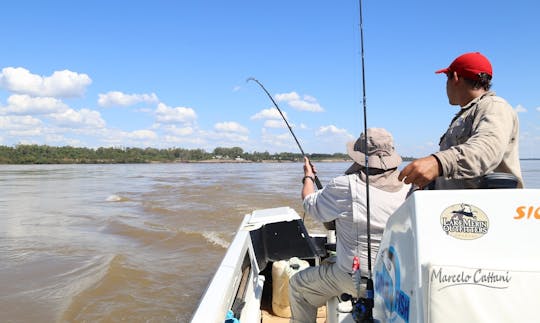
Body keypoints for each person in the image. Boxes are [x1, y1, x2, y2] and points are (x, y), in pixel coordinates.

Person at [288, 128, 410, 323]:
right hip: (398, 282)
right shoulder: (412, 186)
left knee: (297, 286)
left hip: (355, 280)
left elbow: (309, 203)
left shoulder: (344, 186)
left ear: (359, 157)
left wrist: (308, 177)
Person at [398, 52, 524, 189]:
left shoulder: (495, 105)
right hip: (460, 208)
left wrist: (438, 163)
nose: (446, 85)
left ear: (456, 77)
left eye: (447, 78)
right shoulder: (467, 114)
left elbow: (487, 150)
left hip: (487, 208)